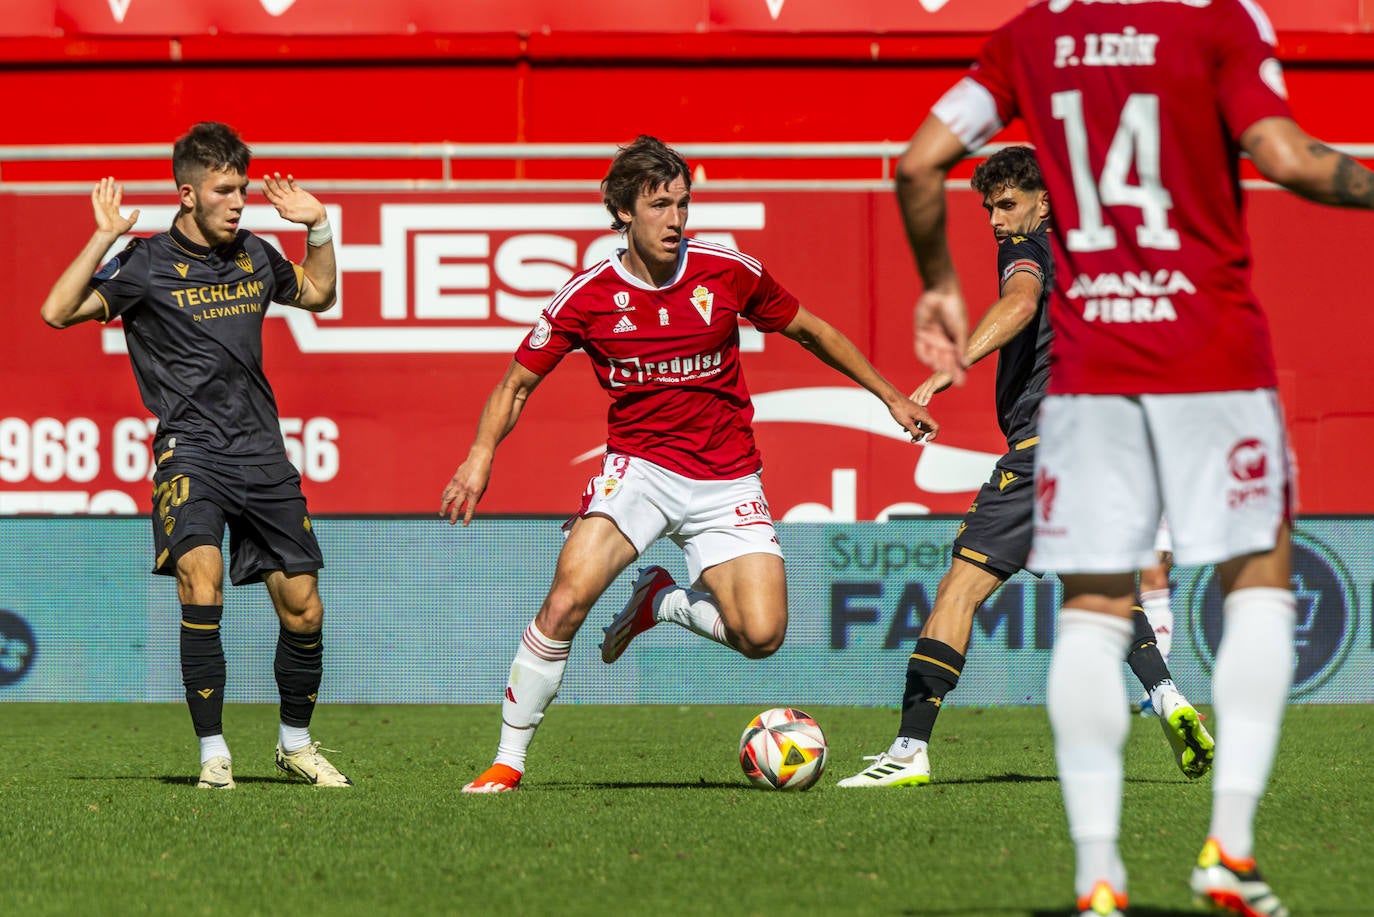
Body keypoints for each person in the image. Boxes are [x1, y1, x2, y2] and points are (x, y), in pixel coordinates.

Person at [899, 2, 1374, 915]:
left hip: (1093, 376)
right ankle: (1228, 850)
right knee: (1261, 583)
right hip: (1211, 353)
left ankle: (1096, 878)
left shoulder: (1029, 37)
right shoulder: (1220, 24)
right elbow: (1287, 157)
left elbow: (917, 163)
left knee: (1089, 609)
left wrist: (935, 285)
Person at [440, 134, 935, 794]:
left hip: (728, 476)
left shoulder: (726, 271)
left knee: (762, 636)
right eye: (660, 205)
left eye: (684, 203)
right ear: (622, 211)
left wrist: (890, 396)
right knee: (565, 601)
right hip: (639, 472)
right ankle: (507, 760)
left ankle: (662, 601)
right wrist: (479, 456)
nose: (677, 219)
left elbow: (812, 329)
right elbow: (515, 384)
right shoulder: (586, 297)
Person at [836, 147, 1212, 790]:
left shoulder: (1030, 248)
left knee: (958, 592)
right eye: (988, 206)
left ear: (1044, 201)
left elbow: (1018, 302)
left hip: (1049, 449)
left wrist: (947, 371)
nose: (994, 219)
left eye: (1007, 203)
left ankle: (908, 751)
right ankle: (1171, 698)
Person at [39, 121, 352, 789]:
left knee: (305, 608)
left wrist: (319, 225)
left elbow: (321, 294)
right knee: (199, 583)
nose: (240, 201)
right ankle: (214, 753)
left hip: (263, 454)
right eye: (225, 190)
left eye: (242, 187)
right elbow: (56, 311)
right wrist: (102, 236)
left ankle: (294, 744)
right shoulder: (147, 263)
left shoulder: (256, 254)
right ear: (188, 193)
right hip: (192, 453)